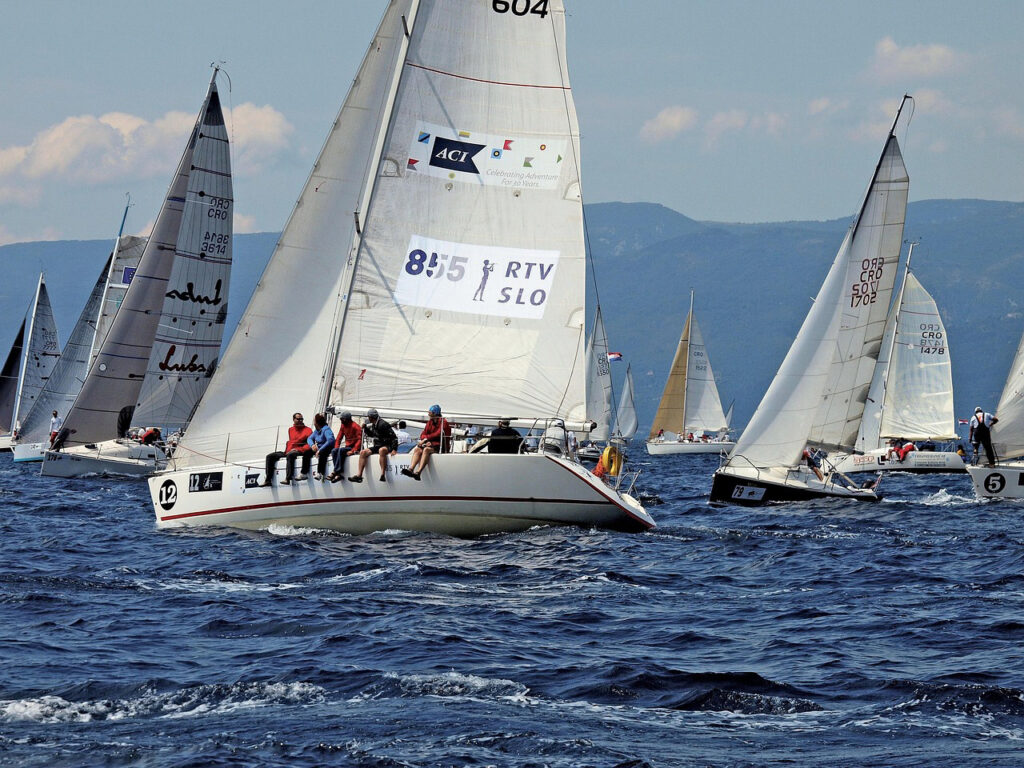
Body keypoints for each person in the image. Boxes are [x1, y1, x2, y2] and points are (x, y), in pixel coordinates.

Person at [402, 404, 451, 480]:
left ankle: (418, 472)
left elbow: (438, 434)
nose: (428, 414)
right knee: (417, 449)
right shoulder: (430, 422)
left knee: (426, 450)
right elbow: (423, 434)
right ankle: (411, 469)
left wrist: (426, 440)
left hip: (440, 445)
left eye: (430, 412)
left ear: (435, 413)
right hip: (429, 444)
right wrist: (425, 440)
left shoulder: (443, 422)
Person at [261, 413, 313, 486]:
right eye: (298, 419)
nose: (300, 420)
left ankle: (288, 478)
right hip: (288, 450)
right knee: (269, 456)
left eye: (301, 419)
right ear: (293, 419)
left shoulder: (308, 430)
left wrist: (298, 449)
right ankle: (268, 480)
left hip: (300, 450)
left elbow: (310, 444)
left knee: (290, 455)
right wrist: (289, 449)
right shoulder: (290, 429)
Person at [349, 408, 399, 483]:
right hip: (378, 445)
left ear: (371, 417)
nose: (368, 418)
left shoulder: (383, 424)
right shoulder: (374, 424)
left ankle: (382, 474)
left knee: (381, 450)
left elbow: (394, 437)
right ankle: (359, 476)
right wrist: (365, 428)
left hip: (387, 445)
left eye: (368, 417)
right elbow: (372, 434)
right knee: (363, 452)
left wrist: (394, 449)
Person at [327, 411, 362, 482]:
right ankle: (338, 474)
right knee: (334, 451)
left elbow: (359, 440)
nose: (341, 420)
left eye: (342, 419)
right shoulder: (343, 426)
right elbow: (339, 438)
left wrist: (353, 451)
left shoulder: (356, 426)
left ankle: (336, 472)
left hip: (353, 447)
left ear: (347, 419)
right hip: (347, 447)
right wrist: (336, 447)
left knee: (341, 450)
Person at [305, 413, 336, 480]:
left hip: (327, 448)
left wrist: (320, 450)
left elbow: (330, 440)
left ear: (317, 423)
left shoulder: (326, 429)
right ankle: (304, 473)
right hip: (319, 448)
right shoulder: (316, 431)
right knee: (307, 453)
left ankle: (320, 473)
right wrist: (312, 445)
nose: (314, 423)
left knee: (322, 454)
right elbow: (309, 438)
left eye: (314, 421)